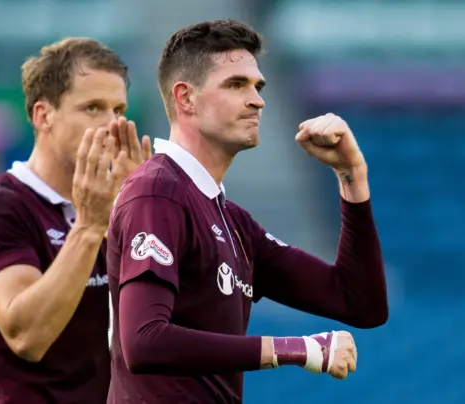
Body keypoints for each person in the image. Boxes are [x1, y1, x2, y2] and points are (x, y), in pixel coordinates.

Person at [107, 20, 389, 404]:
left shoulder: (233, 222)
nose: (258, 100)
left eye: (258, 86)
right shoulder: (157, 192)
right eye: (236, 84)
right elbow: (144, 341)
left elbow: (360, 302)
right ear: (185, 98)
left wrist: (351, 176)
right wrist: (294, 348)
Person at [0, 37, 151, 404]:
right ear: (43, 116)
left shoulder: (117, 207)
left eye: (118, 109)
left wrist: (143, 216)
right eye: (93, 108)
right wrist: (91, 226)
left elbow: (167, 324)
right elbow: (28, 336)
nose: (111, 124)